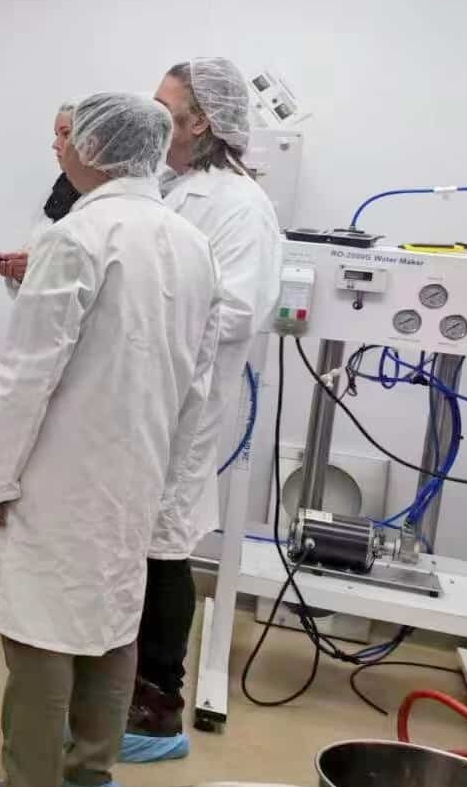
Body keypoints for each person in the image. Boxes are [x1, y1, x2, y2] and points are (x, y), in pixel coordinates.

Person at [0, 93, 221, 787]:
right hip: (139, 468)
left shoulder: (74, 237)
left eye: (66, 138)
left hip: (58, 473)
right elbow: (198, 383)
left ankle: (29, 778)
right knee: (109, 623)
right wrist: (171, 480)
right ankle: (89, 774)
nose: (58, 148)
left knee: (39, 635)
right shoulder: (188, 243)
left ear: (92, 149)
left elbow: (29, 374)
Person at [121, 59, 284, 763]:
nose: (155, 120)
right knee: (141, 543)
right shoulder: (175, 185)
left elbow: (238, 309)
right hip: (142, 395)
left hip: (180, 404)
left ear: (204, 122)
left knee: (163, 548)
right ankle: (120, 696)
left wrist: (137, 315)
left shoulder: (238, 205)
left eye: (167, 109)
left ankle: (156, 714)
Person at [0, 101, 78, 291]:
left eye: (66, 133)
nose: (55, 145)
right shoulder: (57, 192)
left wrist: (39, 268)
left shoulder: (106, 204)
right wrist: (22, 271)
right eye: (57, 135)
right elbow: (38, 249)